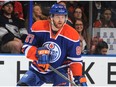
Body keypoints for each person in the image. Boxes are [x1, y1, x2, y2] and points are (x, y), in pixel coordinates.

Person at [17, 3, 87, 86]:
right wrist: (37, 53)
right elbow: (26, 47)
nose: (60, 20)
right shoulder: (38, 27)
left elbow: (75, 60)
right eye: (57, 16)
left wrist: (78, 77)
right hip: (38, 69)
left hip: (60, 70)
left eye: (63, 17)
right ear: (51, 17)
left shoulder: (72, 35)